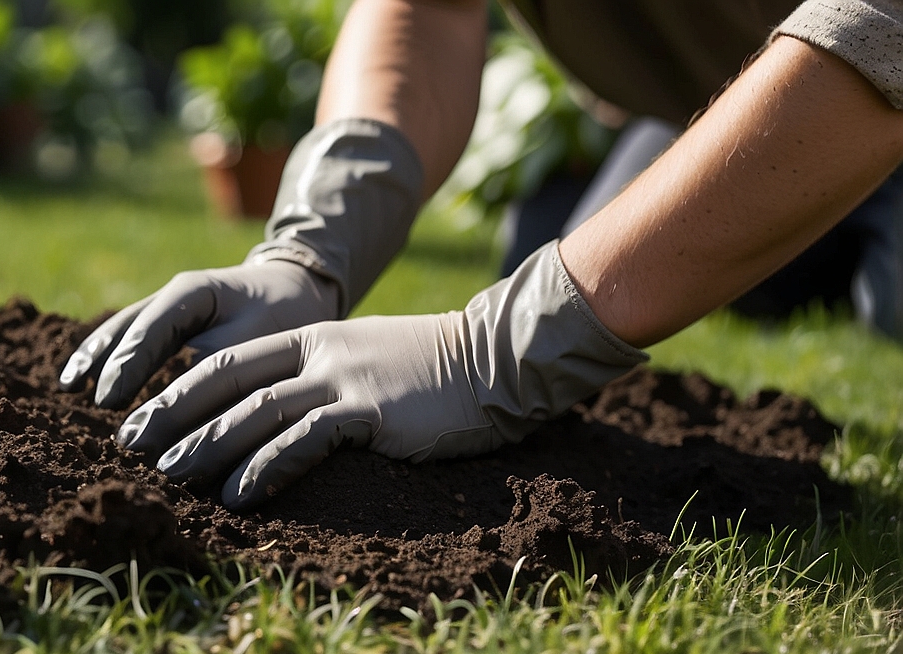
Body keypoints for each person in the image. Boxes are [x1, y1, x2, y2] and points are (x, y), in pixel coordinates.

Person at [58, 0, 903, 509]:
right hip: (726, 93)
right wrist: (311, 249)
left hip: (863, 85)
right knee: (549, 239)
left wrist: (489, 353)